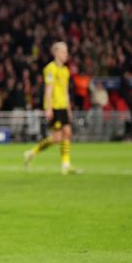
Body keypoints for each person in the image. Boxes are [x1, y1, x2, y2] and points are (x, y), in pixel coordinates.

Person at [24, 42, 78, 174]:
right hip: (54, 107)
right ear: (56, 53)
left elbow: (65, 91)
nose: (66, 54)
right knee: (57, 138)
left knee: (67, 133)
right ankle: (31, 152)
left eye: (66, 52)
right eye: (63, 52)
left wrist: (69, 109)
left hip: (63, 106)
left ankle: (66, 165)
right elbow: (48, 90)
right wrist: (48, 108)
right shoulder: (50, 68)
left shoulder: (65, 70)